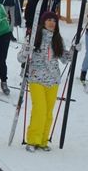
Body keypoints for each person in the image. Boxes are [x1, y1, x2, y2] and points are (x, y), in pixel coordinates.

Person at [18, 12, 74, 152]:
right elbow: (20, 58)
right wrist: (26, 52)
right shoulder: (33, 38)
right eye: (49, 20)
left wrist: (74, 51)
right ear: (43, 22)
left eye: (54, 21)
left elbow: (65, 59)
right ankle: (33, 140)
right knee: (40, 110)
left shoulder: (57, 40)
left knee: (48, 112)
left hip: (53, 80)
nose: (51, 23)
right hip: (36, 79)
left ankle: (43, 141)